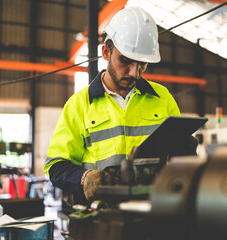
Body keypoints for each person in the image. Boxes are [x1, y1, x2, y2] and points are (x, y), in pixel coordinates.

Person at [44, 6, 180, 204]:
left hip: (155, 214)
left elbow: (181, 158)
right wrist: (86, 178)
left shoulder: (163, 98)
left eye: (142, 63)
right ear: (106, 52)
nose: (134, 72)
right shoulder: (79, 105)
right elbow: (56, 167)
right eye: (126, 60)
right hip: (102, 219)